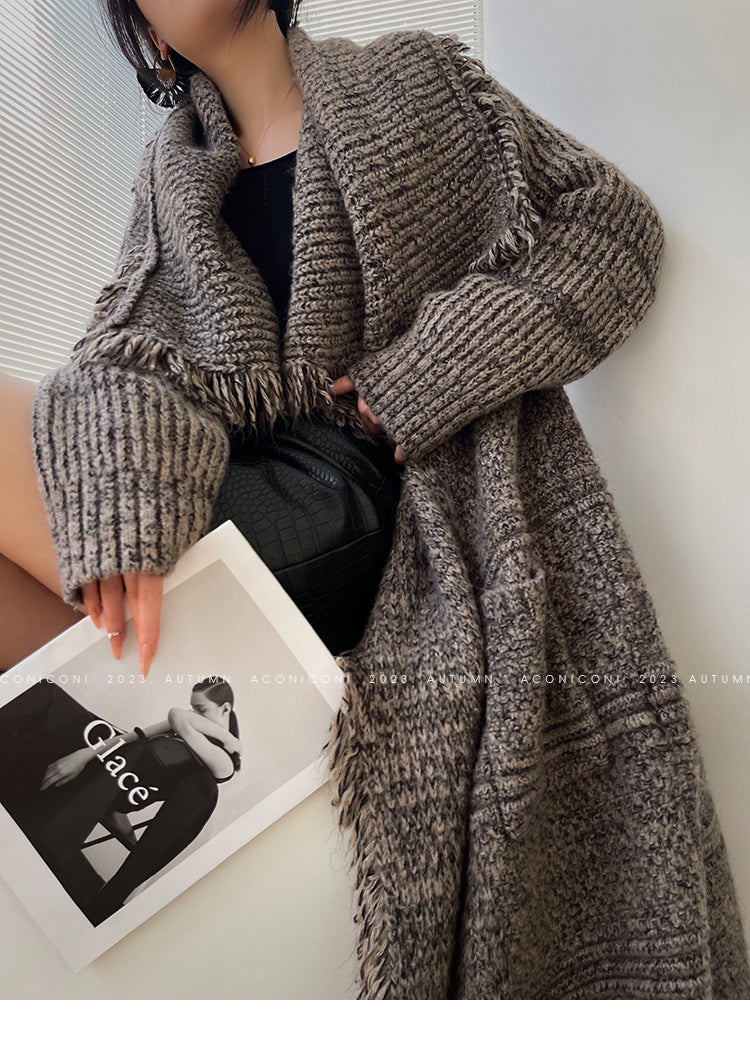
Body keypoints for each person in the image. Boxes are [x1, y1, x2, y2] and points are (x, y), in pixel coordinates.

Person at [1, 0, 748, 999]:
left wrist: (429, 370)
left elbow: (607, 224)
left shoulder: (413, 81)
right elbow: (122, 362)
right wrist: (125, 497)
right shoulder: (168, 176)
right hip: (239, 491)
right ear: (150, 35)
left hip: (375, 505)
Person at [18, 676, 241, 925]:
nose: (194, 714)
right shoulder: (187, 724)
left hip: (117, 784)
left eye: (201, 709)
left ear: (225, 709)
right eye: (193, 708)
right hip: (104, 762)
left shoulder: (221, 759)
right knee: (46, 693)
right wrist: (84, 755)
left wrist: (227, 740)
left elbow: (176, 715)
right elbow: (132, 737)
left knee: (205, 788)